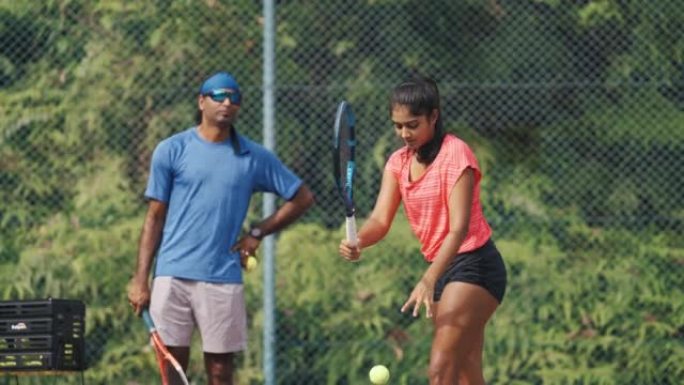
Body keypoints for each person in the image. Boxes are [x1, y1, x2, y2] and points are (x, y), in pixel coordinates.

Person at [127, 71, 315, 385]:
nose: (227, 103)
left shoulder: (253, 157)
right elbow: (154, 218)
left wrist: (257, 233)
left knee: (220, 372)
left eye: (235, 98)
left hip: (222, 277)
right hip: (171, 275)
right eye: (219, 96)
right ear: (202, 102)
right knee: (172, 370)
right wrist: (140, 279)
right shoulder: (172, 150)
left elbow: (303, 197)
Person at [338, 74, 506, 385]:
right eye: (398, 125)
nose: (404, 133)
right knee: (466, 373)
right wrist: (358, 240)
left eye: (413, 124)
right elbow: (380, 221)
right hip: (443, 269)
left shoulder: (455, 154)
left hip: (475, 265)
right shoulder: (398, 163)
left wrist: (428, 279)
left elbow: (458, 230)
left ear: (434, 116)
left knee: (440, 371)